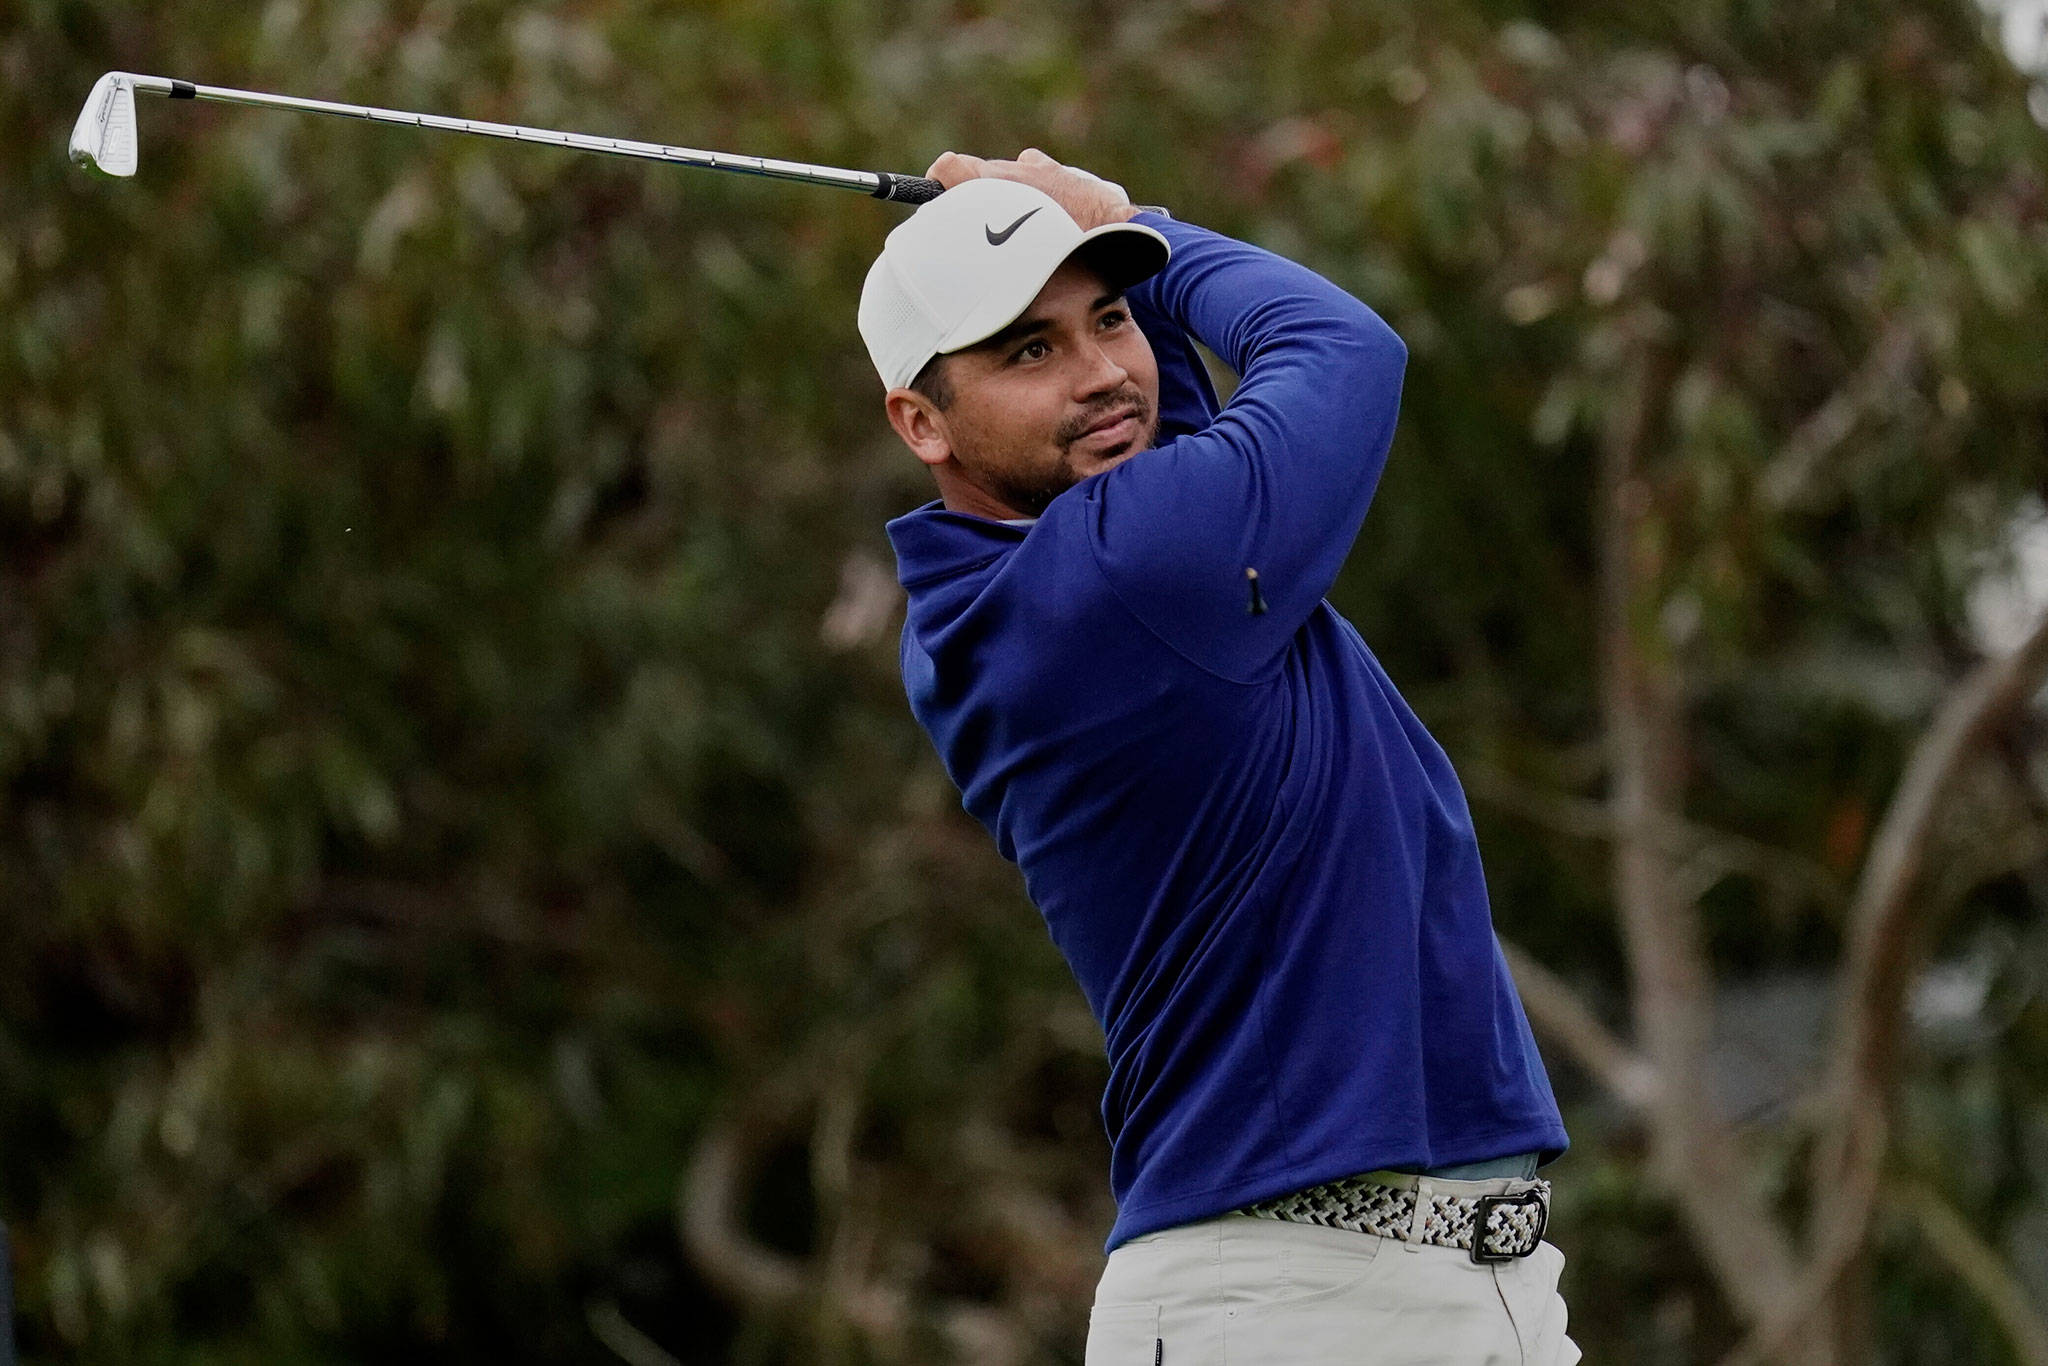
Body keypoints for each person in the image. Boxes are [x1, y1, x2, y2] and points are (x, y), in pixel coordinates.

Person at [857, 149, 1579, 1365]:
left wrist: (1070, 234)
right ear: (920, 420)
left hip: (1447, 1286)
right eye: (1027, 350)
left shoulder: (1033, 579)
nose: (1099, 374)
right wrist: (1136, 225)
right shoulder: (1126, 576)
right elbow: (1343, 352)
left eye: (1109, 319)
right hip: (1290, 1306)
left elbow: (1154, 412)